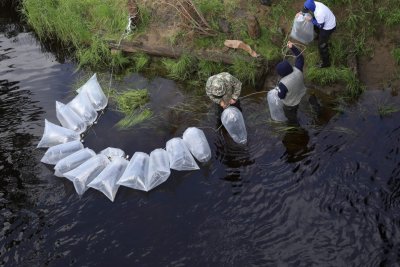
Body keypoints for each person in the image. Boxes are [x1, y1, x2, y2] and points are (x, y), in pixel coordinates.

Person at [275, 41, 306, 123]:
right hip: (299, 96)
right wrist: (292, 47)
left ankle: (294, 124)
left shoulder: (283, 84)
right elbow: (300, 58)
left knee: (290, 115)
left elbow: (281, 96)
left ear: (281, 74)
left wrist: (277, 89)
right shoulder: (298, 69)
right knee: (296, 108)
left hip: (290, 104)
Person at [302, 0, 336, 68]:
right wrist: (301, 13)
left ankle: (326, 63)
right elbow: (305, 10)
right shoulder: (315, 3)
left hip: (329, 27)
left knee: (321, 46)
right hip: (328, 20)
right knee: (314, 25)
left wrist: (311, 20)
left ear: (311, 8)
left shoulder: (319, 13)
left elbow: (321, 26)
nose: (308, 12)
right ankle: (319, 36)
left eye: (308, 10)